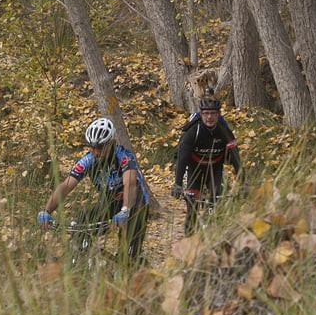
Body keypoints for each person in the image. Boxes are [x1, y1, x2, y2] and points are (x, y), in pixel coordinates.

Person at [37, 117, 149, 264]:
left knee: (127, 257)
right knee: (82, 224)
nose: (96, 152)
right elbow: (66, 186)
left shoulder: (124, 157)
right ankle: (81, 262)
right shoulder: (88, 161)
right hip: (109, 204)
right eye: (93, 147)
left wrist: (126, 210)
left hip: (135, 205)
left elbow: (130, 183)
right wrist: (46, 211)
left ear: (111, 143)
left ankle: (131, 268)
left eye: (101, 147)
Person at [171, 95, 244, 234]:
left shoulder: (224, 131)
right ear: (201, 114)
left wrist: (244, 182)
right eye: (205, 113)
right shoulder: (193, 131)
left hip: (215, 167)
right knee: (192, 208)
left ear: (218, 114)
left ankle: (214, 233)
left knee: (217, 198)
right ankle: (190, 242)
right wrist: (178, 184)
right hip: (194, 168)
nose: (209, 117)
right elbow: (182, 158)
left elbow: (236, 159)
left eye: (213, 113)